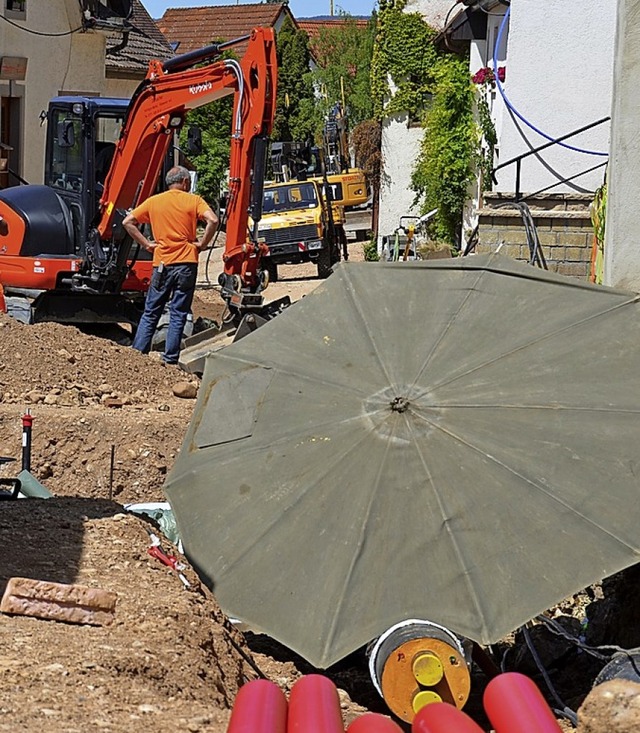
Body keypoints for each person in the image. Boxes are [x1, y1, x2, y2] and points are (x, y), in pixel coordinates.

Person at [123, 165, 218, 365]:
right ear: (184, 182)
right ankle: (170, 359)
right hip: (186, 263)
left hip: (162, 263)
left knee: (151, 312)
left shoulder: (154, 201)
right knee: (178, 312)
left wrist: (147, 244)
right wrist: (202, 244)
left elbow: (128, 222)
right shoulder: (194, 201)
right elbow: (213, 220)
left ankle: (137, 357)